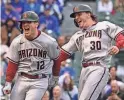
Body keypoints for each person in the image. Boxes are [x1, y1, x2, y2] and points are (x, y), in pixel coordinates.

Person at [52, 4, 124, 100]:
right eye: (75, 16)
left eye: (79, 14)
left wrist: (117, 46)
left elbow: (121, 37)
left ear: (89, 14)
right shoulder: (77, 35)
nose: (76, 18)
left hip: (99, 67)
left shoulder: (104, 25)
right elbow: (62, 54)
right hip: (84, 70)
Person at [3, 11, 60, 100]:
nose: (25, 24)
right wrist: (8, 82)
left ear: (36, 23)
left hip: (40, 80)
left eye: (28, 22)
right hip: (21, 79)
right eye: (23, 22)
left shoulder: (49, 42)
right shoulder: (17, 41)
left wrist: (55, 76)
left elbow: (57, 60)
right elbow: (13, 63)